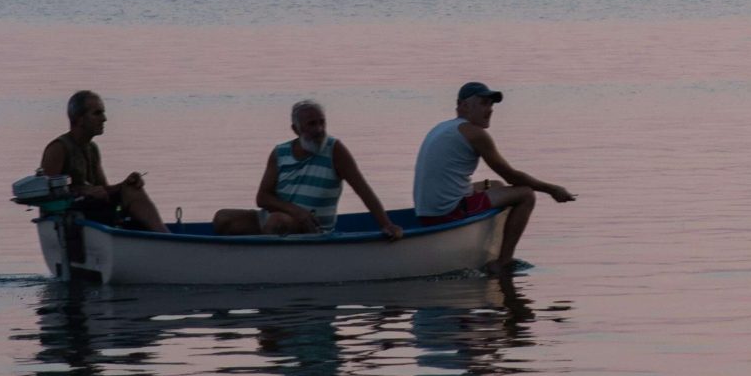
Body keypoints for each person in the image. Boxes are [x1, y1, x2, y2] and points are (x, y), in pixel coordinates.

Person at [411, 81, 574, 274]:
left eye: (491, 104)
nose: (489, 110)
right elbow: (512, 176)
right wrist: (552, 189)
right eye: (483, 103)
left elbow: (502, 180)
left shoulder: (444, 127)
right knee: (525, 194)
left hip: (426, 211)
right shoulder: (475, 134)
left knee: (494, 184)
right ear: (463, 105)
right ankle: (503, 262)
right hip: (446, 212)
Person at [213, 99, 402, 239]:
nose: (319, 129)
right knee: (223, 218)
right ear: (296, 129)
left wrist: (386, 224)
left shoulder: (335, 150)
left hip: (313, 228)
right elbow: (262, 198)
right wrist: (297, 211)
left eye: (322, 122)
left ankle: (268, 265)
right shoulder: (280, 153)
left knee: (278, 221)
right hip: (275, 218)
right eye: (312, 124)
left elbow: (363, 190)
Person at [39, 90, 163, 229]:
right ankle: (162, 236)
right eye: (97, 113)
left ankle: (163, 235)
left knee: (132, 190)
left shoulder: (92, 149)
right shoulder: (58, 148)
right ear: (80, 119)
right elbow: (45, 193)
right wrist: (83, 191)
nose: (104, 119)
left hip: (92, 211)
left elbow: (103, 189)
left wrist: (125, 184)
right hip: (70, 217)